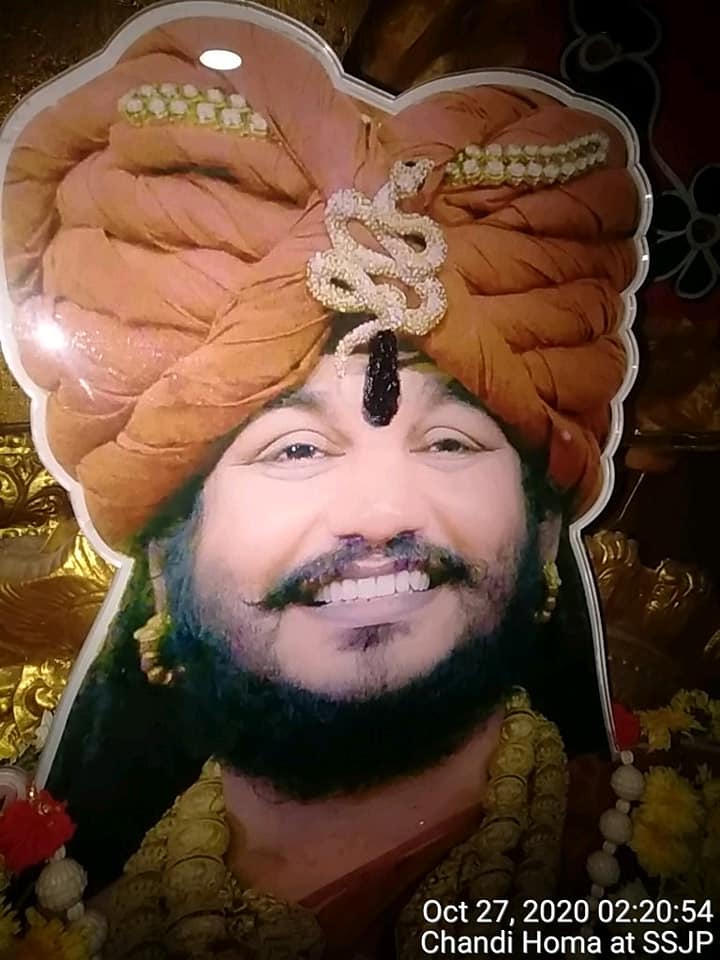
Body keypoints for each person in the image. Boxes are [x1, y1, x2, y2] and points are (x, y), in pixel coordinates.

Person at [0, 7, 644, 958]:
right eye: (296, 450)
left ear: (546, 533)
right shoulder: (49, 922)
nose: (381, 514)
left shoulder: (677, 850)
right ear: (167, 560)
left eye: (450, 442)